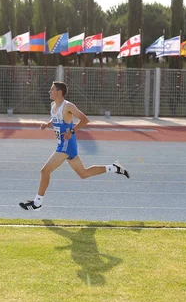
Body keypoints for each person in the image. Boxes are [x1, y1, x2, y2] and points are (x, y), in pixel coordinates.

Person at [19, 81, 130, 211]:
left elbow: (85, 119)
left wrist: (72, 131)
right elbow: (56, 119)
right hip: (63, 144)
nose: (49, 91)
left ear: (59, 92)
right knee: (84, 173)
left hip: (66, 145)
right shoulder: (53, 105)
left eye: (52, 89)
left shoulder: (68, 106)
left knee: (45, 171)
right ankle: (114, 168)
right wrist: (47, 124)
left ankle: (37, 203)